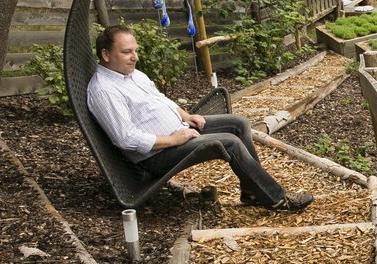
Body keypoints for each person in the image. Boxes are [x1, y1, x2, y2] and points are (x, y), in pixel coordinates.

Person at [87, 25, 313, 211]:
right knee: (229, 143)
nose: (134, 57)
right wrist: (175, 140)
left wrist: (187, 116)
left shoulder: (132, 75)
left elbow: (160, 99)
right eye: (127, 52)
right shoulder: (105, 91)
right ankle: (276, 198)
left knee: (238, 123)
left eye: (135, 50)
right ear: (106, 55)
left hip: (180, 130)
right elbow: (126, 138)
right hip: (158, 154)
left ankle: (252, 191)